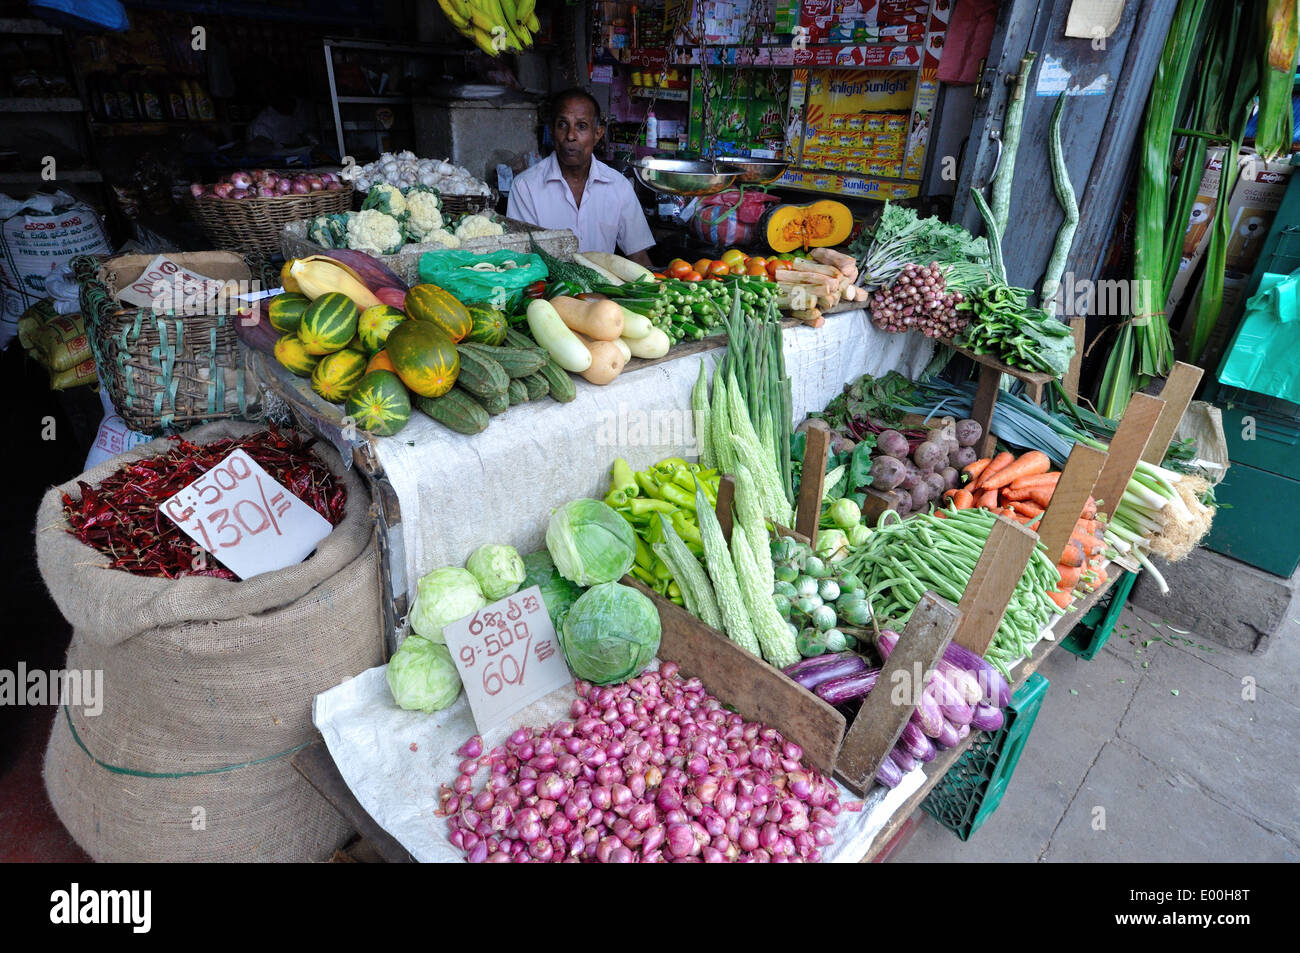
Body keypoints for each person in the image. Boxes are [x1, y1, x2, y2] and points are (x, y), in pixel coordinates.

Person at [508, 88, 655, 267]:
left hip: (603, 294)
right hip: (547, 293)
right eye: (562, 125)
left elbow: (638, 257)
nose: (570, 136)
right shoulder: (526, 187)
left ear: (597, 134)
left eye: (581, 126)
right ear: (552, 131)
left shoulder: (618, 186)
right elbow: (521, 262)